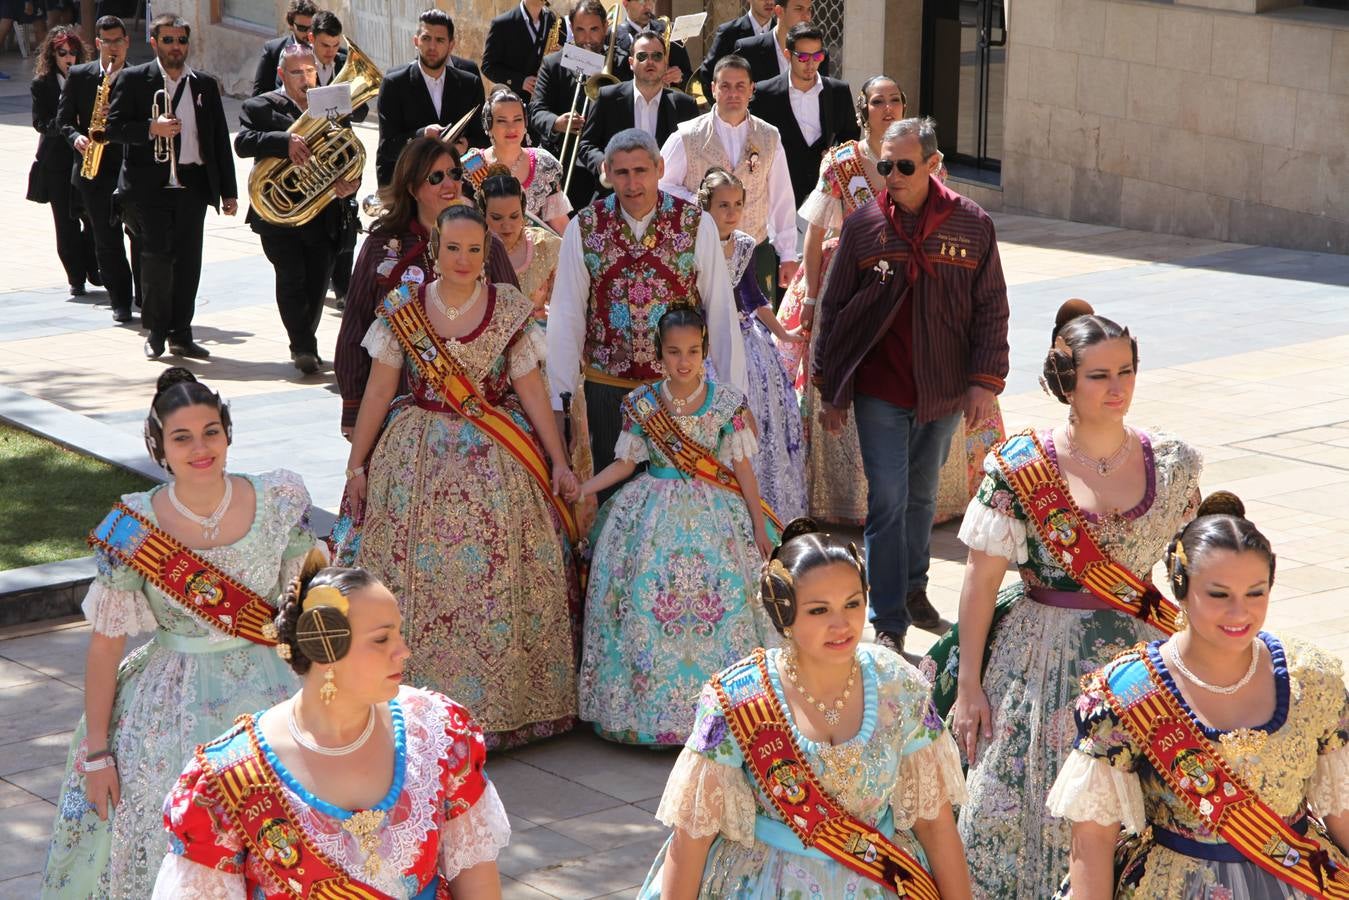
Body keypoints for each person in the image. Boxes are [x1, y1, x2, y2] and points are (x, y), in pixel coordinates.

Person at [928, 301, 1201, 898]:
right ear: (1065, 383)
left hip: (1140, 666)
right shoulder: (1021, 467)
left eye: (1125, 371)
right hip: (1037, 661)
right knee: (1030, 803)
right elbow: (978, 580)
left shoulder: (1174, 463)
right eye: (1099, 375)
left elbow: (1194, 573)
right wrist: (970, 685)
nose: (1117, 387)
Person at [41, 368, 318, 898]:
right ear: (159, 446)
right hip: (167, 706)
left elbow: (309, 598)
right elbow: (104, 647)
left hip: (275, 694)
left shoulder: (277, 498)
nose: (200, 448)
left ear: (228, 432)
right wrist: (97, 752)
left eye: (211, 431)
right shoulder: (134, 524)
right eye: (182, 437)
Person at [344, 203, 580, 750]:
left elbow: (532, 394)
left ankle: (503, 706)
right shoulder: (403, 310)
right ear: (435, 249)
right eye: (453, 248)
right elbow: (379, 391)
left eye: (475, 249)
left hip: (497, 453)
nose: (464, 259)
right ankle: (409, 702)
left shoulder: (508, 308)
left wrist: (558, 460)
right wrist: (358, 464)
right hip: (414, 451)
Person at [638, 518, 973, 898]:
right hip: (763, 884)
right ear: (785, 616)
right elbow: (693, 836)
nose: (841, 623)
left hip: (884, 878)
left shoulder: (900, 684)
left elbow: (934, 823)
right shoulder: (737, 698)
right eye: (818, 610)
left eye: (852, 603)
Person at [1047, 492, 1349, 900]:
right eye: (1219, 595)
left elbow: (1341, 810)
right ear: (1181, 589)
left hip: (1299, 878)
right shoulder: (1126, 692)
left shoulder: (1312, 680)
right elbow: (1094, 840)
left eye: (1256, 593)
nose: (1239, 613)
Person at [150, 560, 510, 898]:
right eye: (382, 640)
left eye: (399, 634)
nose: (403, 651)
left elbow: (475, 872)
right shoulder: (225, 779)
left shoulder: (437, 730)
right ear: (325, 652)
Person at [813, 116, 1008, 660]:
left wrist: (983, 382)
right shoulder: (864, 226)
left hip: (943, 391)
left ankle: (916, 588)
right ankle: (889, 617)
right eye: (885, 166)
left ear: (932, 165)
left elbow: (992, 308)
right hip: (879, 389)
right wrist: (832, 390)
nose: (892, 176)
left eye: (903, 166)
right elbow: (833, 311)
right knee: (888, 500)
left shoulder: (972, 225)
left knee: (923, 497)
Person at [578, 305, 776, 746]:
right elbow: (625, 464)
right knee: (642, 602)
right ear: (659, 354)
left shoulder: (727, 403)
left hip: (716, 517)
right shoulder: (642, 403)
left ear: (704, 350)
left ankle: (727, 710)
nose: (683, 361)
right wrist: (586, 488)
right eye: (673, 352)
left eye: (692, 351)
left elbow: (743, 470)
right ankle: (647, 713)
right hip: (649, 514)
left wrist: (759, 527)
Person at [546, 127, 747, 501]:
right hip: (608, 392)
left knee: (678, 503)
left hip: (680, 391)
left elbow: (720, 311)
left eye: (641, 171)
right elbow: (566, 318)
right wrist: (559, 403)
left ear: (659, 167)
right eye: (622, 173)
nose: (632, 183)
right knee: (613, 504)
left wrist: (735, 398)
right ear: (606, 171)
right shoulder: (585, 227)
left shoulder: (694, 223)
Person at [334, 137, 519, 438]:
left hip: (479, 414)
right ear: (411, 188)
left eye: (454, 174)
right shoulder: (381, 247)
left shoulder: (487, 245)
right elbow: (355, 326)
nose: (449, 184)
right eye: (436, 177)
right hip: (400, 413)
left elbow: (515, 330)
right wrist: (353, 409)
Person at [106, 13, 238, 361]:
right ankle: (156, 332)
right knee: (157, 261)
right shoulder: (135, 79)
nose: (176, 47)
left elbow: (218, 141)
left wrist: (228, 191)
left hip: (192, 184)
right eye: (168, 40)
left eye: (181, 41)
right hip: (149, 187)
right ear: (154, 43)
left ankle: (182, 332)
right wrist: (152, 127)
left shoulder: (204, 84)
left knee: (189, 263)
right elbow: (112, 128)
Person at [235, 43, 360, 376]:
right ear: (281, 74)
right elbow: (243, 142)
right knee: (291, 278)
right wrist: (282, 142)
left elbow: (350, 151)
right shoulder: (261, 106)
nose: (305, 79)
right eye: (296, 72)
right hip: (279, 215)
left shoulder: (329, 103)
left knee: (317, 282)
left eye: (310, 71)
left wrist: (351, 182)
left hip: (321, 213)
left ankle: (304, 337)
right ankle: (303, 347)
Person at [699, 167, 806, 523]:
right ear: (706, 206)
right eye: (723, 205)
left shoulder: (745, 244)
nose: (731, 212)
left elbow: (756, 298)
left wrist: (783, 332)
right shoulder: (693, 242)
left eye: (738, 205)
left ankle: (764, 507)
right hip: (704, 344)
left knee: (764, 414)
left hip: (746, 341)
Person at [660, 55, 799, 300]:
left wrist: (787, 253)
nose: (732, 93)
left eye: (740, 86)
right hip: (700, 251)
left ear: (752, 90)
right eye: (725, 86)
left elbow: (781, 197)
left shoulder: (769, 136)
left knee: (757, 329)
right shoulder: (687, 135)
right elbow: (661, 186)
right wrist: (698, 200)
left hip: (755, 250)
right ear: (713, 89)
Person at [58, 15, 133, 322]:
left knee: (141, 237)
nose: (113, 47)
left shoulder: (141, 76)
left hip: (129, 167)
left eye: (119, 41)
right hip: (94, 168)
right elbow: (63, 121)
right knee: (106, 237)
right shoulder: (80, 75)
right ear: (99, 43)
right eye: (107, 42)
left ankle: (143, 294)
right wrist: (76, 138)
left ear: (127, 42)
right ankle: (121, 302)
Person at [578, 27, 698, 197]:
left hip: (666, 200)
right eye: (642, 56)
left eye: (657, 56)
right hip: (615, 196)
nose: (650, 62)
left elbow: (695, 155)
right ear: (631, 63)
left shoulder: (685, 105)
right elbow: (586, 145)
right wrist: (603, 164)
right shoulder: (607, 97)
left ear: (665, 62)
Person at [747, 23, 857, 208]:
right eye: (803, 56)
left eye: (817, 56)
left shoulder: (839, 92)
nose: (811, 63)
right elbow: (752, 143)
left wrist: (835, 154)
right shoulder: (765, 93)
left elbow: (850, 137)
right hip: (777, 198)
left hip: (826, 196)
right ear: (787, 55)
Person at [375, 9, 486, 186]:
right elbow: (387, 148)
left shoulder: (469, 84)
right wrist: (421, 135)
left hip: (457, 189)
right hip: (412, 191)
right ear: (416, 41)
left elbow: (483, 141)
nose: (432, 47)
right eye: (426, 38)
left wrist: (466, 147)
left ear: (451, 45)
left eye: (440, 40)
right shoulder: (394, 84)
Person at [31, 25, 98, 299]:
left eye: (72, 52)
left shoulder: (87, 78)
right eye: (62, 53)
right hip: (58, 161)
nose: (68, 58)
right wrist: (66, 126)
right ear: (53, 54)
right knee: (65, 223)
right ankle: (76, 277)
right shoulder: (43, 84)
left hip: (86, 158)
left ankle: (93, 267)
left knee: (95, 218)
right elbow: (40, 123)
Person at [309, 9, 369, 310]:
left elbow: (362, 112)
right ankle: (319, 281)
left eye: (335, 46)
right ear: (311, 39)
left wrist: (346, 104)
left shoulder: (345, 61)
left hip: (340, 155)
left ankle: (344, 286)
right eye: (324, 46)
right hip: (309, 155)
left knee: (346, 217)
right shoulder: (298, 63)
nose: (331, 53)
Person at [526, 0, 607, 209]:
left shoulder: (620, 62)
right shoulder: (553, 63)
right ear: (571, 29)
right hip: (565, 159)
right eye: (580, 29)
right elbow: (535, 110)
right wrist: (556, 122)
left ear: (605, 28)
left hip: (606, 165)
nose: (587, 38)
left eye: (594, 29)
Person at [462, 86, 571, 234]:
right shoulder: (471, 164)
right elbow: (463, 223)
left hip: (532, 253)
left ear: (525, 123)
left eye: (517, 119)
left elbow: (560, 225)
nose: (511, 127)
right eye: (502, 121)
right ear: (488, 125)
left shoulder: (544, 163)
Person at [481, 0, 562, 102]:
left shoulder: (552, 19)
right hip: (514, 101)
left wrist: (558, 53)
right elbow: (488, 66)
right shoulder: (502, 24)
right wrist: (520, 81)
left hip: (544, 100)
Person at [733, 0, 830, 85]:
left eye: (809, 9)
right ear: (779, 11)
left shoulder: (819, 55)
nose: (807, 17)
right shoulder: (748, 51)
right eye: (799, 9)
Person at [695, 0, 775, 97]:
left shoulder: (785, 35)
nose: (770, 1)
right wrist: (722, 108)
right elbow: (707, 74)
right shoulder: (728, 33)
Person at [612, 0, 692, 87]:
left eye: (653, 1)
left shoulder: (669, 31)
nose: (649, 6)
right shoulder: (612, 35)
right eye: (642, 1)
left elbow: (688, 76)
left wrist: (679, 77)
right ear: (625, 3)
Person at [250, 0, 315, 97]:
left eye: (312, 28)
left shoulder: (333, 52)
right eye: (302, 28)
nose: (308, 33)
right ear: (291, 25)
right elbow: (259, 94)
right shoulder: (273, 50)